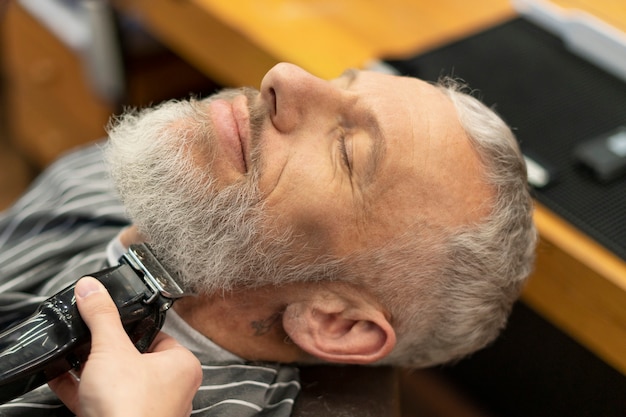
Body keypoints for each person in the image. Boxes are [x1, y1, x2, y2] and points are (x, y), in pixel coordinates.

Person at [0, 62, 536, 416]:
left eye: (347, 151)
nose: (284, 76)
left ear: (336, 322)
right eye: (339, 79)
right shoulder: (99, 175)